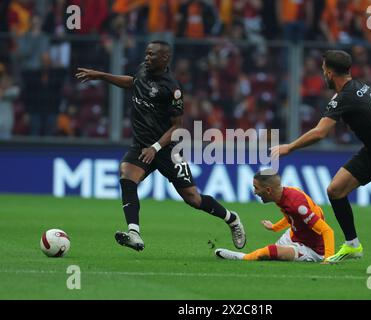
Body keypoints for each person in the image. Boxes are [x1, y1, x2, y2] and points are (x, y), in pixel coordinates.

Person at [271, 50, 371, 271]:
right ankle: (352, 244)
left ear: (330, 72)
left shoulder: (343, 98)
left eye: (323, 71)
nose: (323, 75)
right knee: (335, 190)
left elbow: (321, 132)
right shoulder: (365, 85)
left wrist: (289, 147)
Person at [75, 40, 246, 251]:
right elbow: (133, 83)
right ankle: (134, 233)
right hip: (141, 145)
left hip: (168, 150)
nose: (146, 58)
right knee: (127, 176)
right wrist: (101, 76)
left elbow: (177, 127)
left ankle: (231, 219)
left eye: (151, 55)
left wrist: (155, 147)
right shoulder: (143, 70)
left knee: (193, 198)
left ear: (164, 58)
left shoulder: (172, 89)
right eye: (146, 54)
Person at [215, 169, 334, 262]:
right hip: (294, 234)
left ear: (268, 190)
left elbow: (327, 231)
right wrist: (275, 227)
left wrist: (328, 259)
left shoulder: (297, 205)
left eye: (256, 188)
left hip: (311, 248)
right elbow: (292, 217)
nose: (255, 192)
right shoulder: (284, 195)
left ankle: (241, 257)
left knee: (269, 252)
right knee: (271, 255)